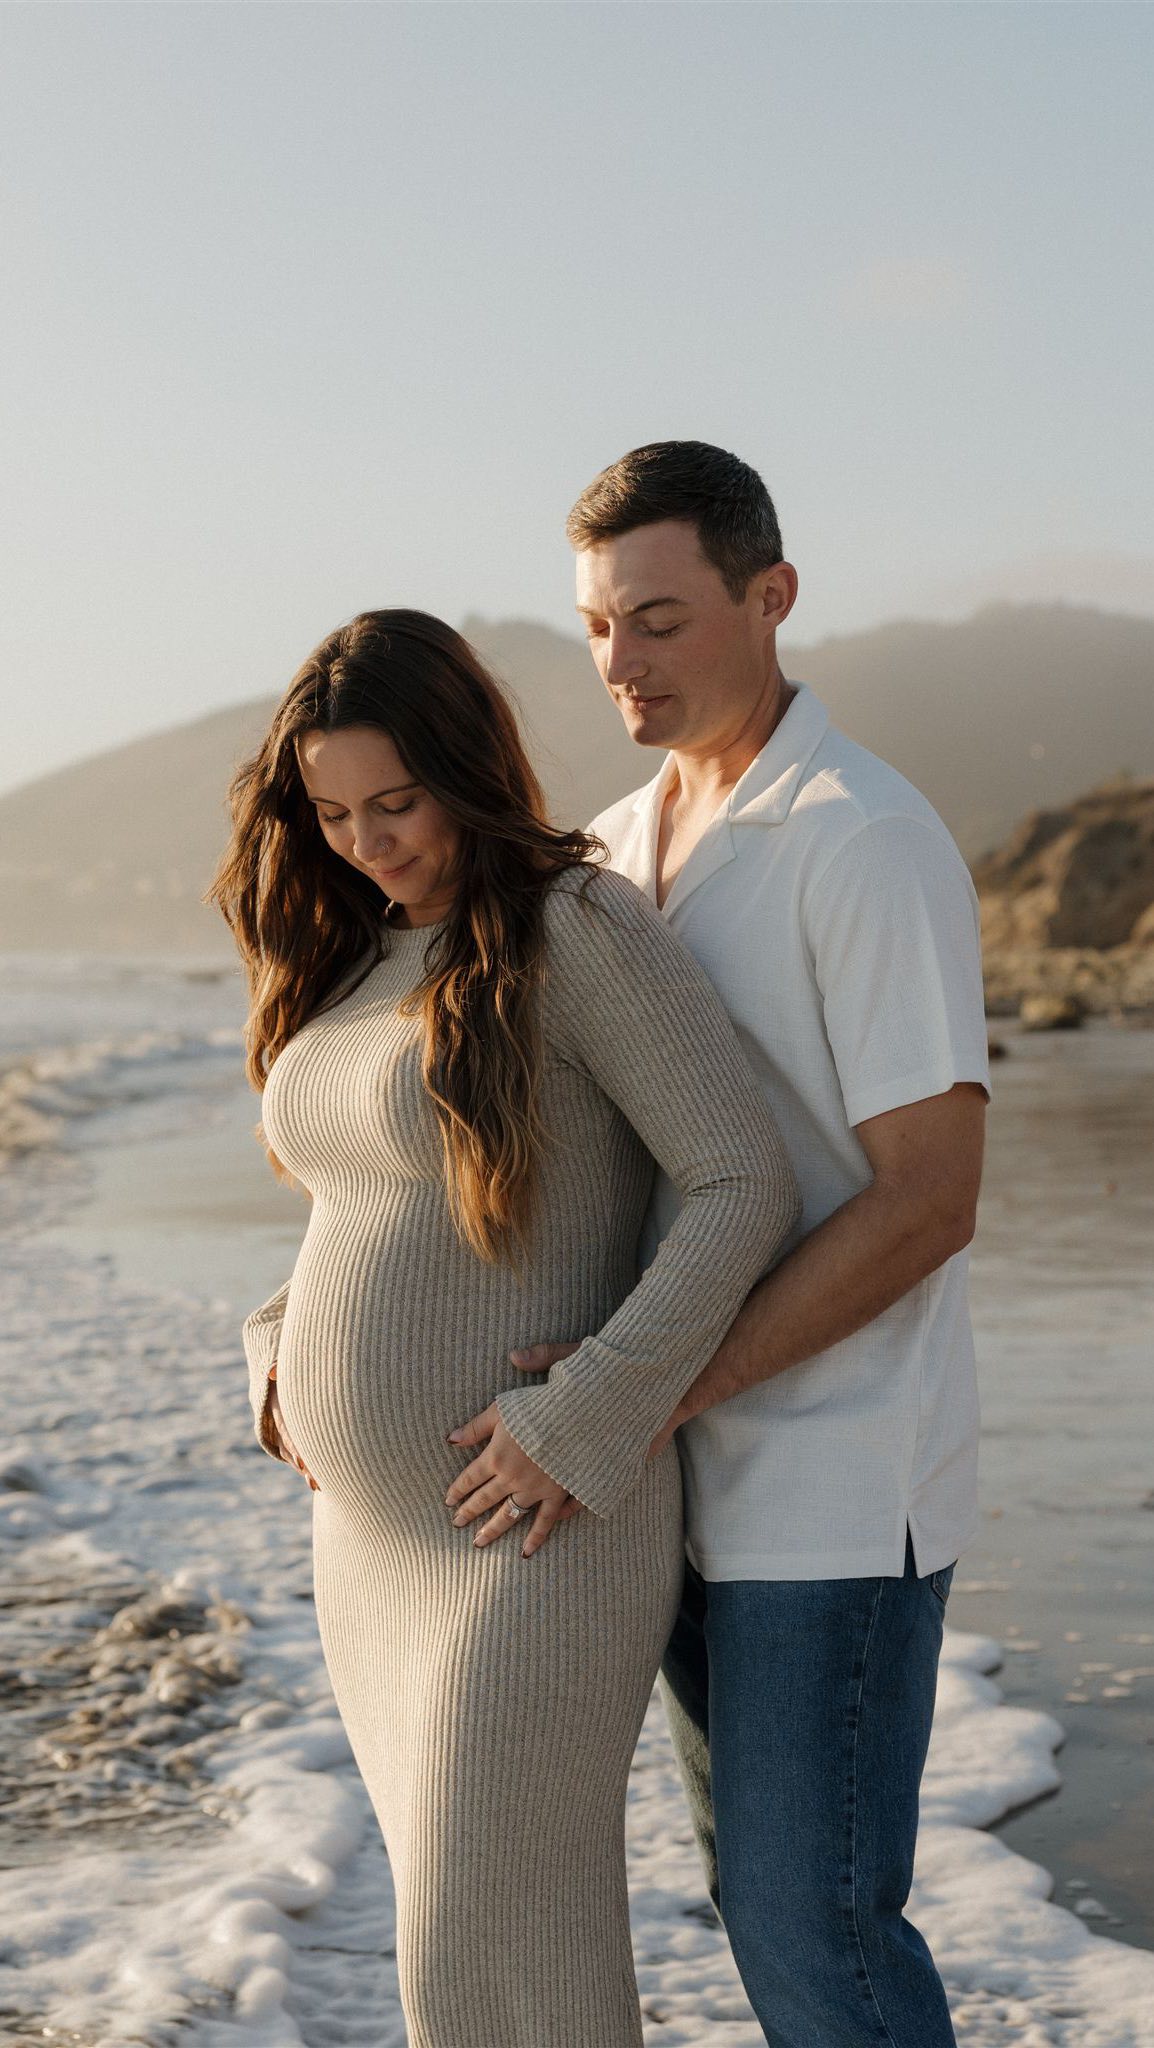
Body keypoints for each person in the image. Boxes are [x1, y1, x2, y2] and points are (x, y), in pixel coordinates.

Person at [452, 444, 989, 2047]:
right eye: (599, 628)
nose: (620, 665)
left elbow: (927, 1198)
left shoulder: (861, 839)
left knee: (809, 1926)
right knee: (749, 1905)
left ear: (773, 599)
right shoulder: (610, 847)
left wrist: (650, 1391)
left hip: (830, 1478)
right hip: (660, 1476)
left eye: (662, 621)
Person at [209, 608, 800, 2048]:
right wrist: (278, 1348)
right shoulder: (357, 955)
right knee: (456, 1957)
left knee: (499, 1954)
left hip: (534, 1529)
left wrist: (590, 1407)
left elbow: (740, 1182)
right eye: (336, 812)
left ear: (467, 768)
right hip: (372, 1551)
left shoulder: (575, 928)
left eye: (397, 802)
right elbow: (357, 1200)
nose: (369, 840)